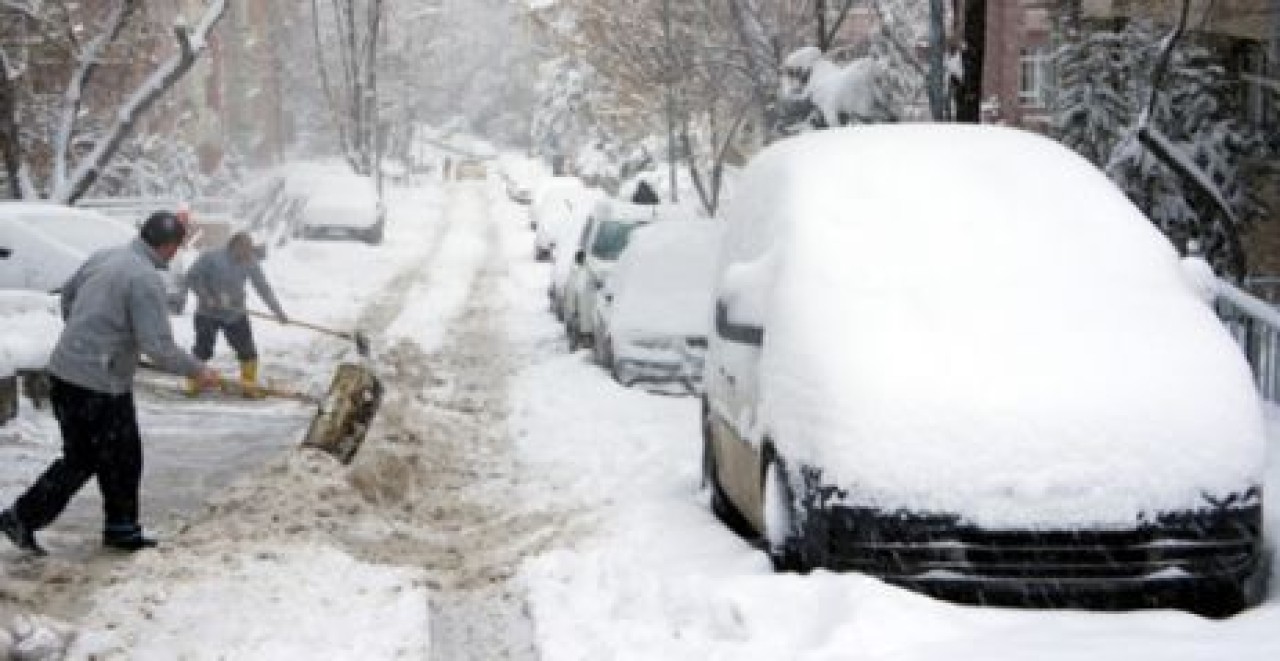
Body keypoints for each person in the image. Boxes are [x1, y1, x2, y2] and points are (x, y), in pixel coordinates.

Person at [0, 212, 221, 555]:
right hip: (99, 384)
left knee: (87, 456)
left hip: (66, 372)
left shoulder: (106, 256)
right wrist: (197, 370)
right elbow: (158, 345)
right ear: (168, 246)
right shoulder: (144, 279)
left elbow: (68, 297)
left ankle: (38, 518)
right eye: (177, 246)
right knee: (120, 455)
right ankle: (111, 528)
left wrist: (88, 337)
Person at [182, 231, 287, 397]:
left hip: (235, 313)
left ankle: (248, 387)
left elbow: (263, 287)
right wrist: (206, 296)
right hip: (208, 313)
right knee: (203, 350)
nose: (247, 254)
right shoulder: (211, 257)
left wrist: (277, 310)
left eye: (249, 251)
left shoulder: (250, 262)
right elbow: (191, 276)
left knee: (248, 351)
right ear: (234, 246)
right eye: (245, 250)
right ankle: (193, 382)